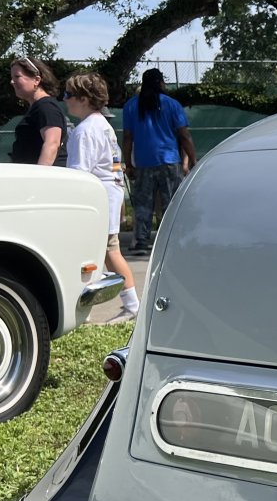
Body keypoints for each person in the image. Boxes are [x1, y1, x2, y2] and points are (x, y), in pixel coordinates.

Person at [64, 72, 141, 324]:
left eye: (69, 95)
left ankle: (129, 306)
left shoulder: (84, 131)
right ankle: (129, 305)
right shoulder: (103, 125)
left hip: (96, 198)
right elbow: (116, 165)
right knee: (108, 251)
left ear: (84, 99)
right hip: (109, 193)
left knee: (104, 252)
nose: (65, 100)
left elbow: (79, 173)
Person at [121, 68, 197, 256]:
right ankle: (173, 240)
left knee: (143, 204)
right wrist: (193, 159)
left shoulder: (131, 106)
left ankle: (141, 242)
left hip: (144, 162)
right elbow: (184, 135)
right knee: (171, 203)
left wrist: (129, 164)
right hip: (170, 161)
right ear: (161, 83)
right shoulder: (172, 104)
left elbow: (128, 138)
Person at [9, 57, 67, 166]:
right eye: (12, 77)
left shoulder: (46, 107)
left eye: (17, 76)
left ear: (36, 80)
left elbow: (52, 143)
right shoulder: (38, 107)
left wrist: (39, 178)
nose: (12, 82)